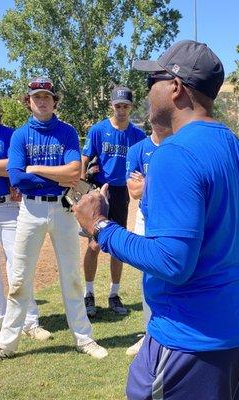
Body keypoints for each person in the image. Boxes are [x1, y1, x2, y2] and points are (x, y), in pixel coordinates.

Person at [73, 40, 239, 400]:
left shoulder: (174, 154)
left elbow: (172, 261)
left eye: (153, 82)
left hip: (193, 340)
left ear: (176, 87)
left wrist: (100, 227)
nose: (148, 93)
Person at [0, 77, 107, 367]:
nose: (42, 101)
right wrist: (54, 174)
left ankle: (84, 338)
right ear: (29, 101)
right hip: (30, 211)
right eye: (37, 97)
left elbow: (74, 172)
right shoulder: (22, 135)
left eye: (47, 96)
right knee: (19, 279)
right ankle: (5, 345)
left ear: (54, 101)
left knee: (71, 277)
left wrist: (35, 168)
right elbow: (16, 177)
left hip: (62, 210)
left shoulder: (67, 132)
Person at [0, 87, 47, 340]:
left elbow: (15, 167)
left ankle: (30, 320)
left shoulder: (10, 135)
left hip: (9, 206)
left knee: (19, 264)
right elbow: (6, 168)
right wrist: (2, 169)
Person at [81, 86, 146, 317]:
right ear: (112, 105)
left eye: (125, 106)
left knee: (116, 245)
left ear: (131, 107)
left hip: (122, 192)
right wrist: (82, 183)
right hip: (101, 189)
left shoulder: (138, 136)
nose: (121, 110)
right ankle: (88, 294)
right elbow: (85, 157)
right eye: (118, 105)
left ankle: (113, 294)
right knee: (94, 244)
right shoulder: (99, 129)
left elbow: (144, 162)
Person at [125, 123, 171, 356]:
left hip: (173, 216)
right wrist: (162, 183)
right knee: (149, 275)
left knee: (176, 271)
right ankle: (149, 333)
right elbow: (134, 192)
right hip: (146, 218)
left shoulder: (177, 145)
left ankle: (170, 330)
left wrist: (148, 182)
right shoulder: (137, 149)